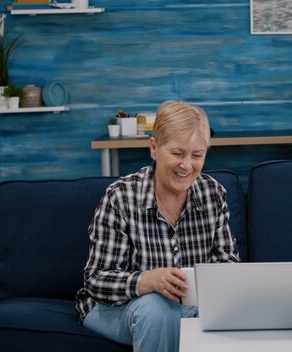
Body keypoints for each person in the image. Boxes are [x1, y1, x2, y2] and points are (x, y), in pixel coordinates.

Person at [75, 101, 240, 352]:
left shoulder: (212, 194)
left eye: (197, 155)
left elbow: (228, 267)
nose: (187, 165)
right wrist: (147, 281)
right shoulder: (121, 197)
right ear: (154, 148)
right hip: (115, 307)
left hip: (188, 307)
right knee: (158, 309)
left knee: (201, 316)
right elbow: (96, 280)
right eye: (177, 153)